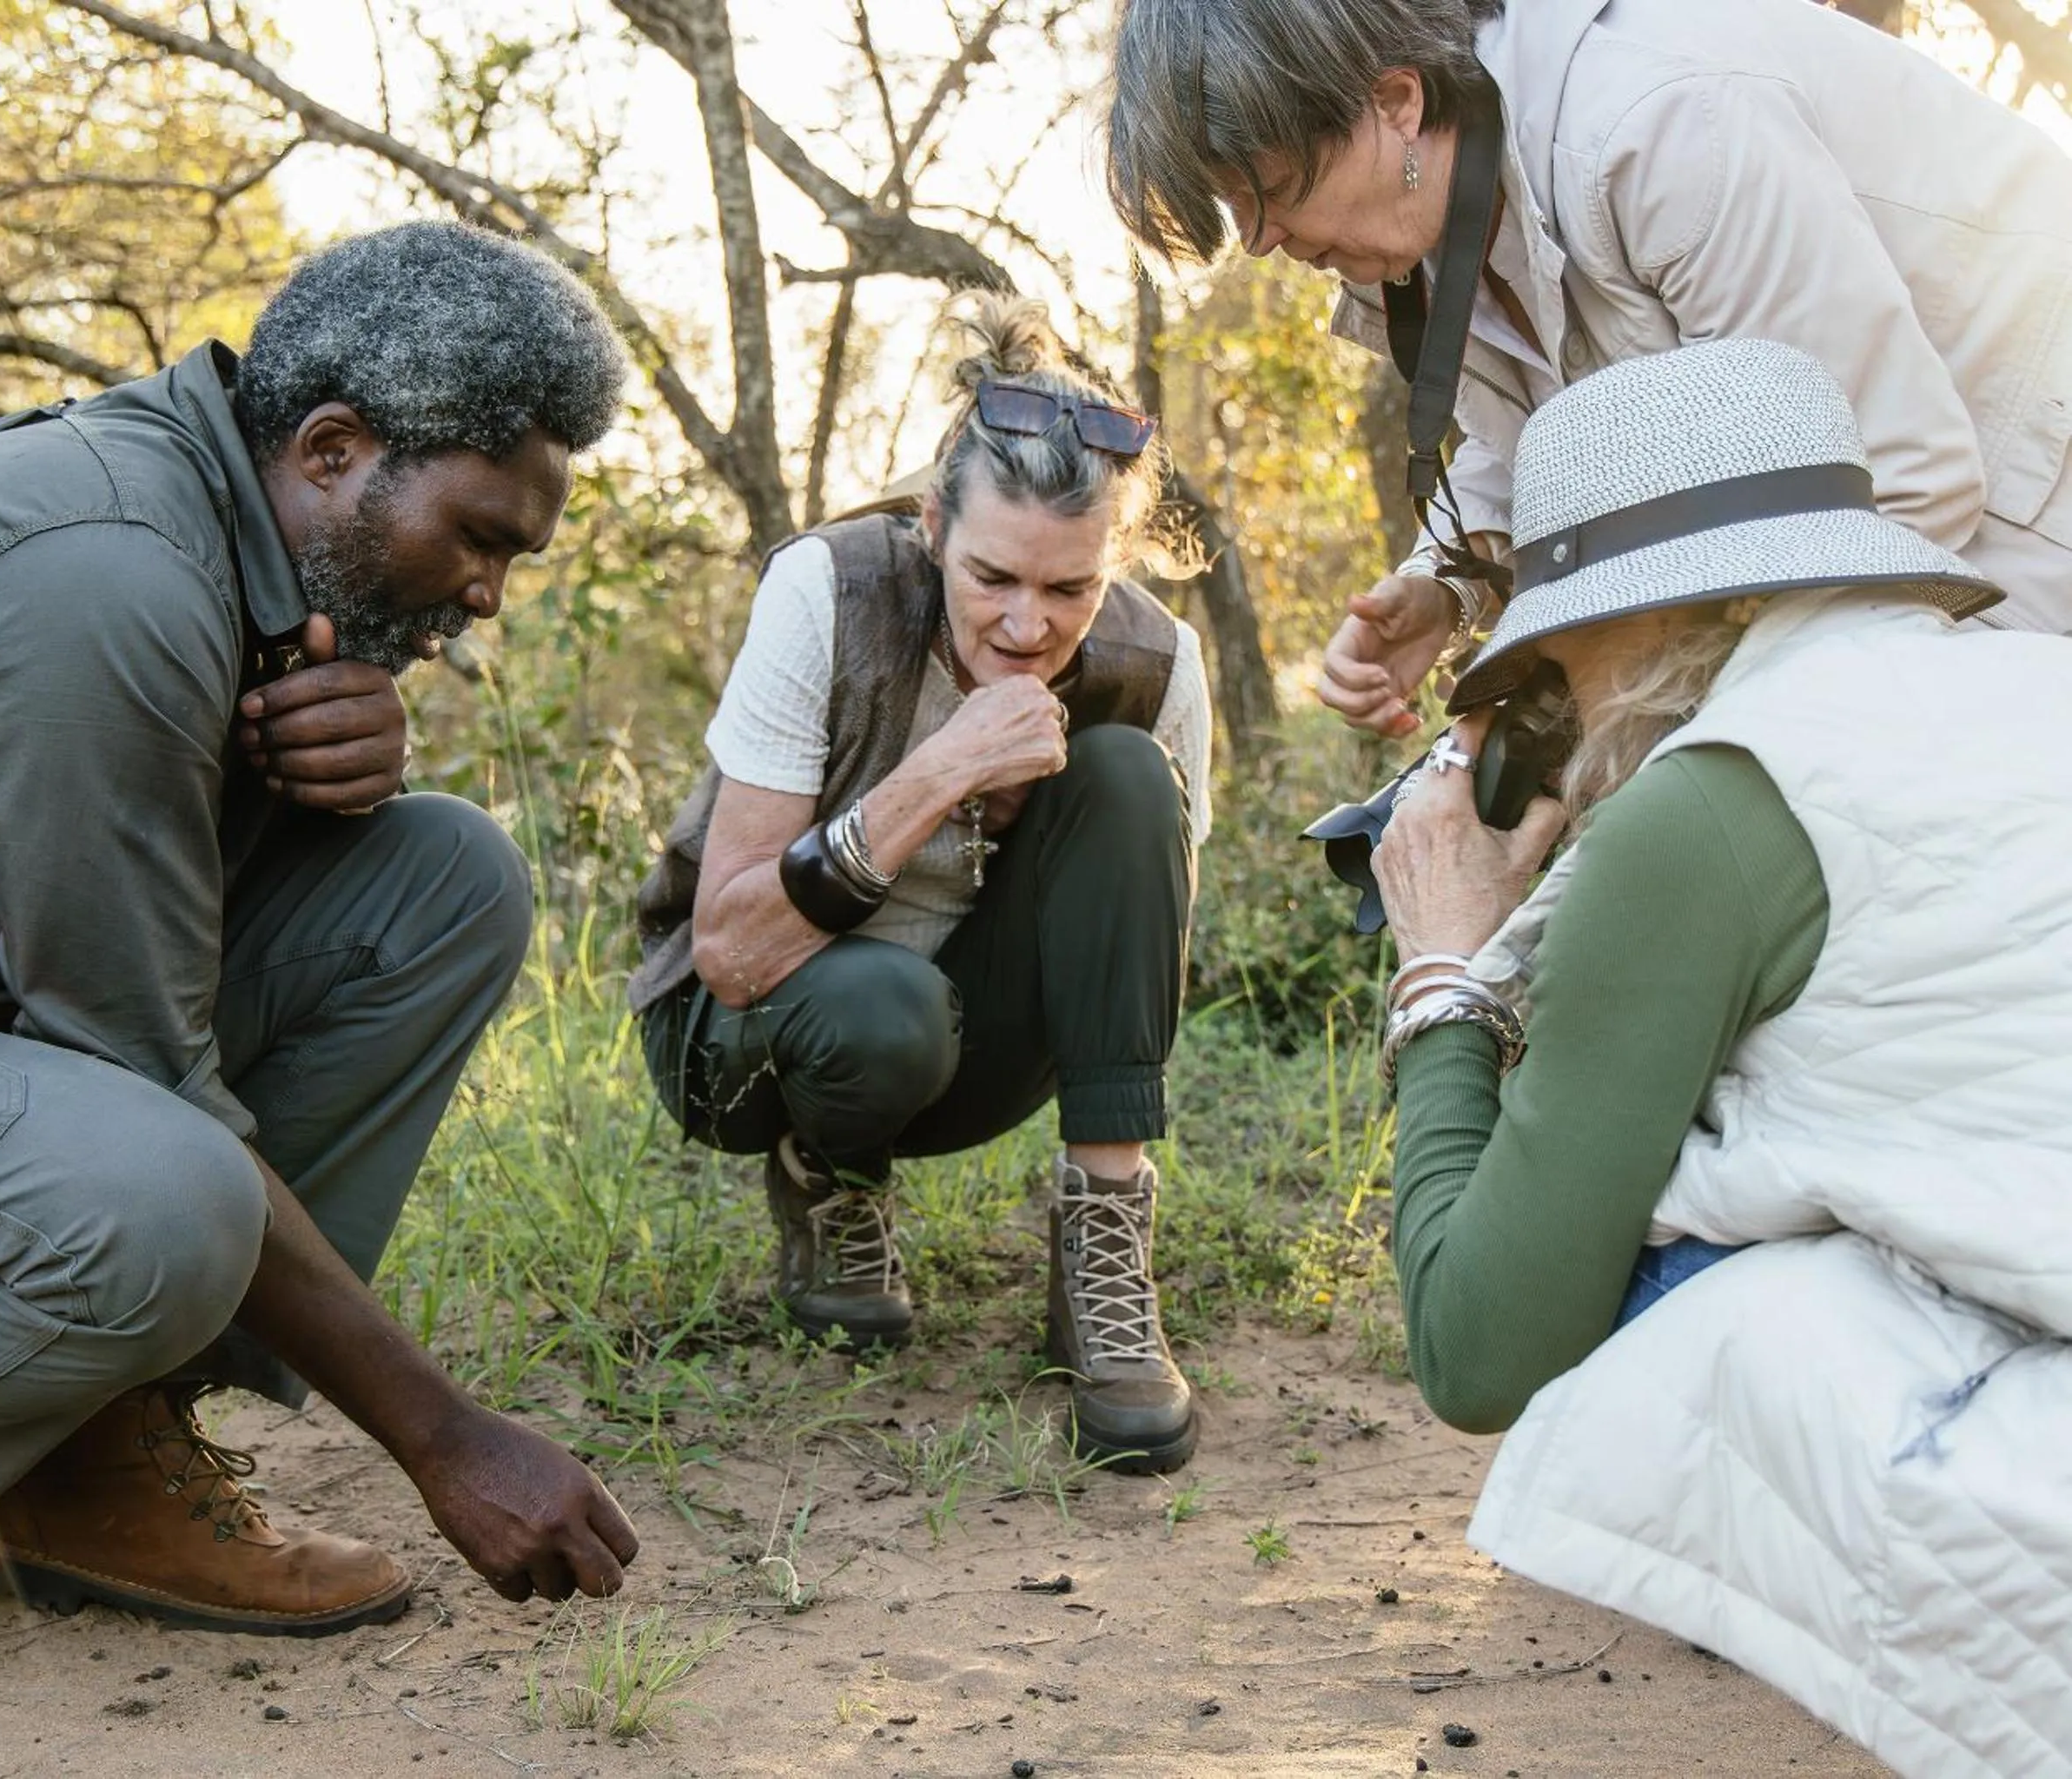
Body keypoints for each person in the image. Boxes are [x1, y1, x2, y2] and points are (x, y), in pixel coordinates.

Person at [0, 221, 645, 1716]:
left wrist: (306, 761)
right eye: (475, 537)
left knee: (438, 880)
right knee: (161, 1185)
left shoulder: (222, 525)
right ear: (331, 448)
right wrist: (444, 1433)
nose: (484, 595)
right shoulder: (112, 569)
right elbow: (141, 1068)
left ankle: (80, 1461)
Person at [1367, 338, 2072, 1770]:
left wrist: (1441, 972)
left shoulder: (1701, 812)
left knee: (1646, 1279)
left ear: (1666, 611)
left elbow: (1475, 1345)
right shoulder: (2023, 688)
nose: (1554, 692)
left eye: (1559, 645)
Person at [1103, 0, 2072, 737]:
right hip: (1925, 548)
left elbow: (1888, 483)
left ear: (1395, 103)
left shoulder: (1660, 127)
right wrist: (1447, 588)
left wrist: (1637, 716)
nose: (1263, 242)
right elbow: (1542, 435)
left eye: (1268, 193)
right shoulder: (1425, 225)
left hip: (2022, 503)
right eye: (1237, 210)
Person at [629, 301, 1212, 1473]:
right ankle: (827, 1181)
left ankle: (1099, 1256)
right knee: (877, 1009)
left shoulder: (1158, 665)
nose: (1024, 622)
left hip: (975, 1039)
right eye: (992, 575)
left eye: (1069, 591)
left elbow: (1138, 959)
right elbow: (732, 952)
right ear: (931, 524)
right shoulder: (824, 593)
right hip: (744, 1035)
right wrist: (942, 772)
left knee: (1123, 776)